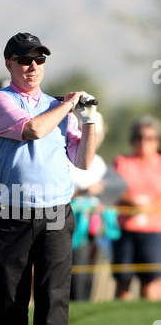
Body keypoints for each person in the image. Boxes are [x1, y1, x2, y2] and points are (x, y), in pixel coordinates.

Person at [0, 32, 97, 325]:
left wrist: (90, 120)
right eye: (25, 59)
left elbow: (83, 161)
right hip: (12, 211)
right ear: (10, 64)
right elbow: (33, 130)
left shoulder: (54, 106)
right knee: (6, 296)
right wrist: (66, 106)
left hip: (54, 214)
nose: (33, 66)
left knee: (53, 298)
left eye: (39, 59)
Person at [112, 115, 161, 301]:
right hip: (125, 231)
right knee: (123, 281)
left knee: (151, 282)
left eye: (149, 138)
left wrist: (150, 205)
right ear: (133, 139)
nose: (143, 142)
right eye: (140, 137)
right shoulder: (122, 162)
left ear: (156, 141)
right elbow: (109, 190)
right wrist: (131, 201)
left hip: (154, 232)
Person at [69, 112, 108, 300]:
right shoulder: (70, 159)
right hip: (72, 221)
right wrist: (86, 192)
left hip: (93, 223)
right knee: (74, 267)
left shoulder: (99, 163)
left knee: (89, 267)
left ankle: (85, 302)